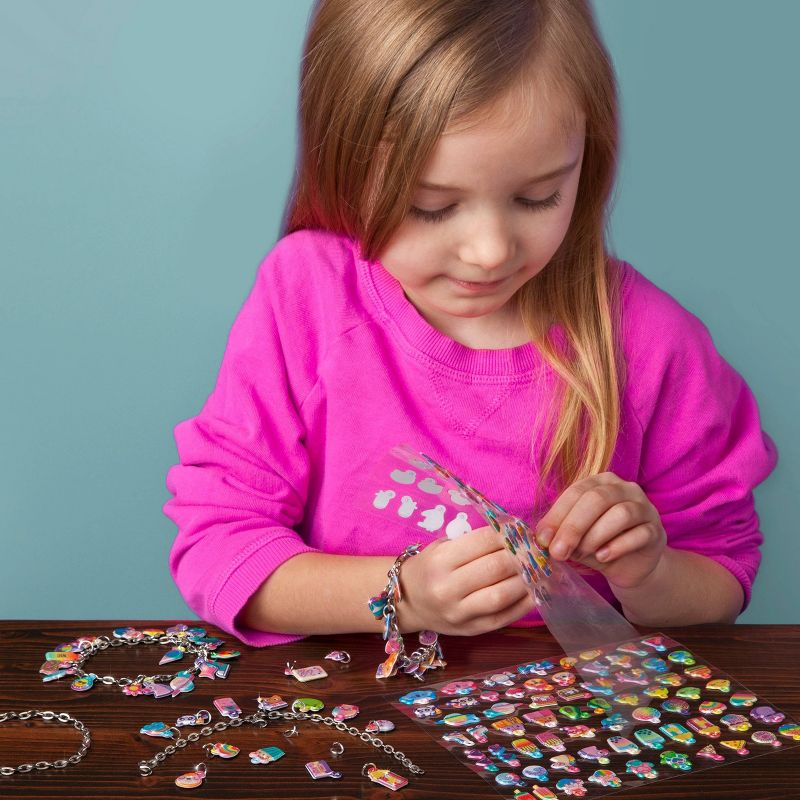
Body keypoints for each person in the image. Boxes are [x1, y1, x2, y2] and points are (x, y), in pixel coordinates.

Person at [163, 0, 778, 649]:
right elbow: (218, 550)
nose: (489, 250)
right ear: (343, 168)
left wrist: (647, 571)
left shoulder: (653, 342)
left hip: (564, 725)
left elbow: (722, 577)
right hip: (359, 724)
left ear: (585, 161)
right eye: (430, 206)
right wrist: (403, 594)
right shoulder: (308, 298)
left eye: (537, 197)